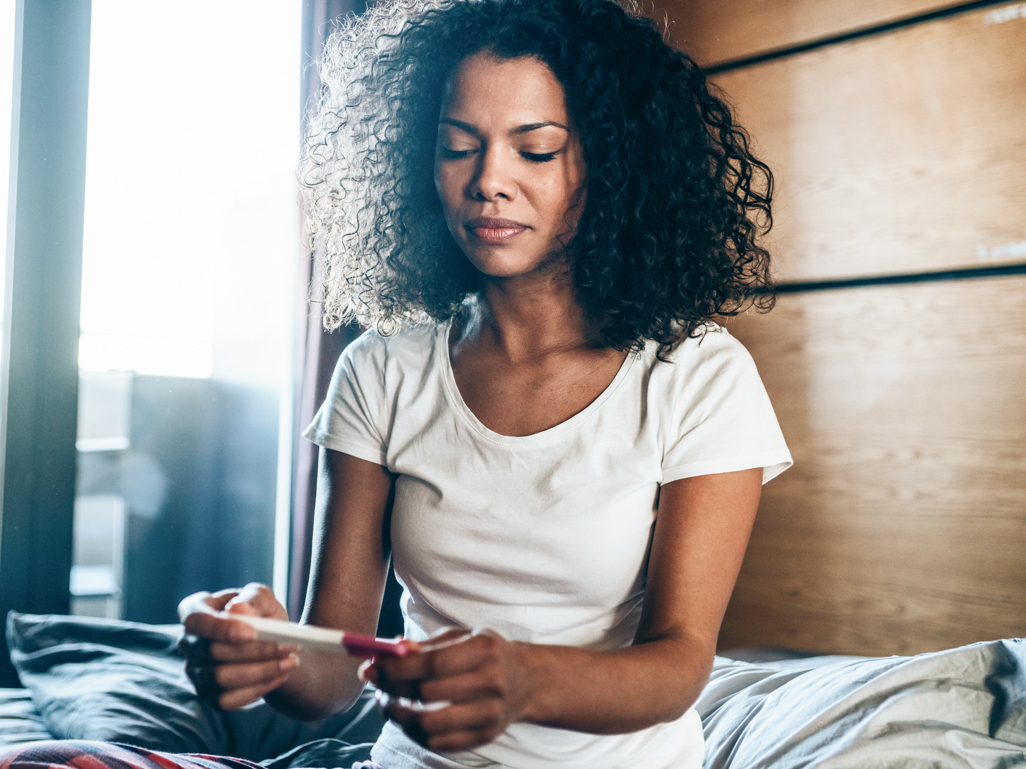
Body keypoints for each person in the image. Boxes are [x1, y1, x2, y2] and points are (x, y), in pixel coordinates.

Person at [0, 1, 790, 768]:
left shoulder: (698, 376)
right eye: (458, 146)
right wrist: (269, 654)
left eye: (536, 149)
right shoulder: (381, 370)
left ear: (613, 165)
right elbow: (330, 678)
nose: (488, 181)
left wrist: (525, 678)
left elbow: (679, 661)